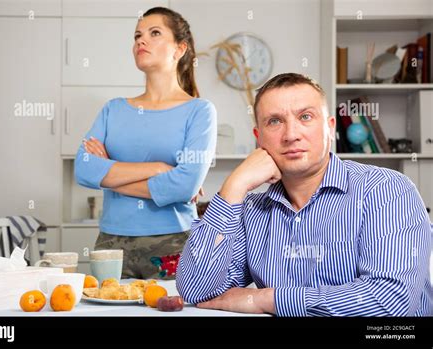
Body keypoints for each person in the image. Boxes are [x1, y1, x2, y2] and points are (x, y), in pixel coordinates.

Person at [176, 73, 432, 316]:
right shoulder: (250, 210)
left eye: (306, 117)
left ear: (330, 128)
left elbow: (392, 302)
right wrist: (234, 186)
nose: (291, 135)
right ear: (259, 139)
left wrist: (267, 299)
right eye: (274, 121)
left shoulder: (387, 190)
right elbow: (198, 290)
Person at [74, 7, 216, 279]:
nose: (141, 40)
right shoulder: (112, 109)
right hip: (111, 243)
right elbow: (84, 170)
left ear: (180, 48)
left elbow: (184, 186)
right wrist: (160, 169)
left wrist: (110, 174)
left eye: (154, 33)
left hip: (174, 243)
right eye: (138, 35)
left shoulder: (200, 111)